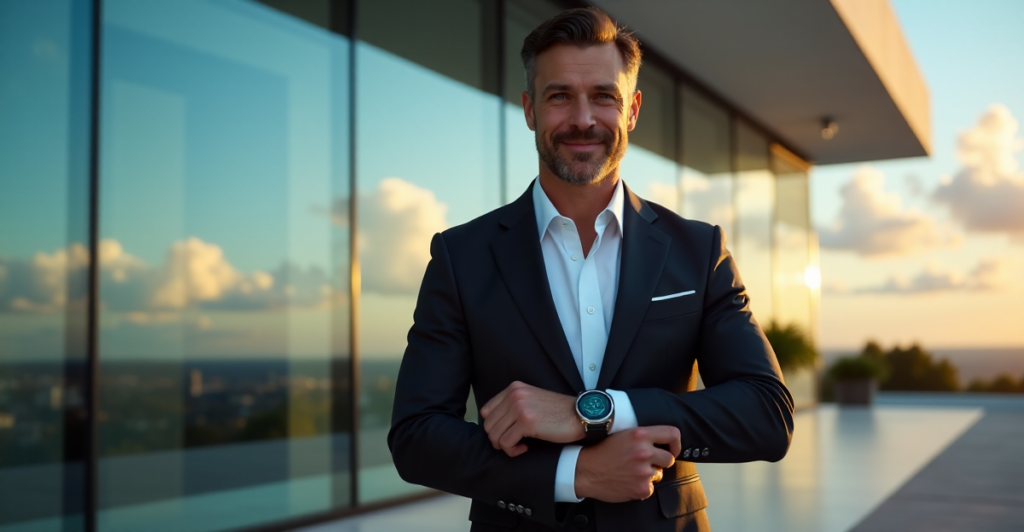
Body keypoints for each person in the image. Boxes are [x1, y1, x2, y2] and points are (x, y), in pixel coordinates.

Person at [388, 7, 794, 532]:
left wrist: (595, 411)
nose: (583, 119)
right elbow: (417, 437)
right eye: (560, 96)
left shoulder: (698, 248)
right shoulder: (461, 255)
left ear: (632, 110)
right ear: (531, 110)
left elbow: (767, 415)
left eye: (604, 96)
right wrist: (572, 472)